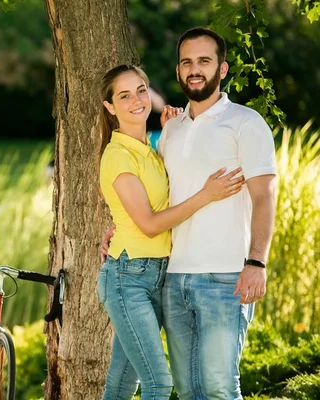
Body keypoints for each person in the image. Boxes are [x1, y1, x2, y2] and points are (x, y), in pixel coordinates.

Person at [101, 27, 278, 400]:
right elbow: (152, 198)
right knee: (186, 389)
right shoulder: (171, 131)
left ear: (222, 68)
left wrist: (257, 262)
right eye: (187, 62)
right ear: (179, 71)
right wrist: (118, 227)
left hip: (224, 277)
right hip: (173, 278)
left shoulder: (247, 123)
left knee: (218, 387)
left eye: (204, 61)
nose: (194, 69)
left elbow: (264, 196)